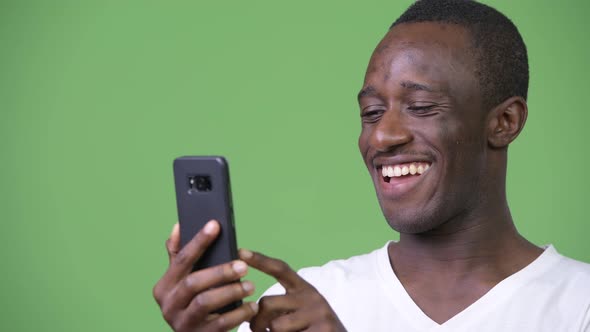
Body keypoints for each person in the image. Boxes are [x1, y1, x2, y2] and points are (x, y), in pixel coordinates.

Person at [153, 0, 590, 331]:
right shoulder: (300, 304)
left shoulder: (578, 305)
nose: (382, 136)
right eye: (371, 112)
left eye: (420, 106)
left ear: (504, 122)